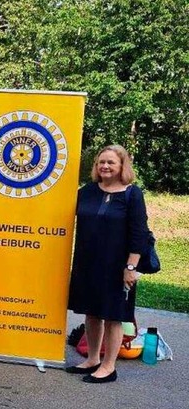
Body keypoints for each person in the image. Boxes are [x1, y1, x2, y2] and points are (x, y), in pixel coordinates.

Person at [67, 144, 149, 383]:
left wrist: (131, 267)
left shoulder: (133, 194)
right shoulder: (88, 191)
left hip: (118, 267)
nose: (105, 166)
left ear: (122, 166)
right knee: (92, 314)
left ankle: (108, 367)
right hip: (88, 263)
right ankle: (92, 359)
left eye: (111, 162)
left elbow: (139, 234)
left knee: (114, 316)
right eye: (101, 162)